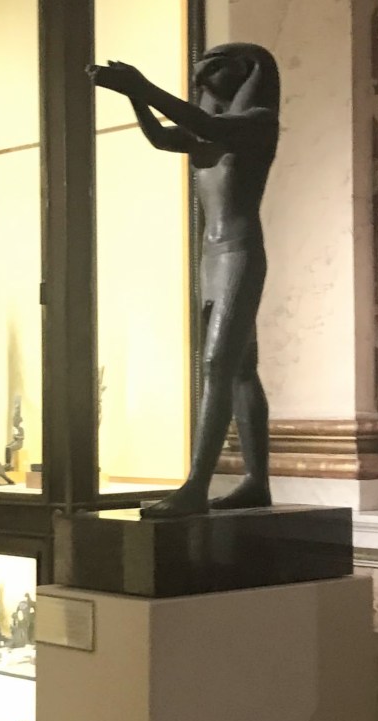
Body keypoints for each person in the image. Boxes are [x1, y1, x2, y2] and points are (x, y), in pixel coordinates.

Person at [88, 44, 280, 516]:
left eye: (212, 70)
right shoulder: (211, 131)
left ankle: (196, 485)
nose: (202, 80)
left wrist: (142, 87)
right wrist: (133, 96)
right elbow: (160, 137)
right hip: (212, 257)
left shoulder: (257, 122)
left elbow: (208, 127)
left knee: (217, 365)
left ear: (245, 71)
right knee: (239, 368)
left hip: (239, 253)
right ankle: (256, 482)